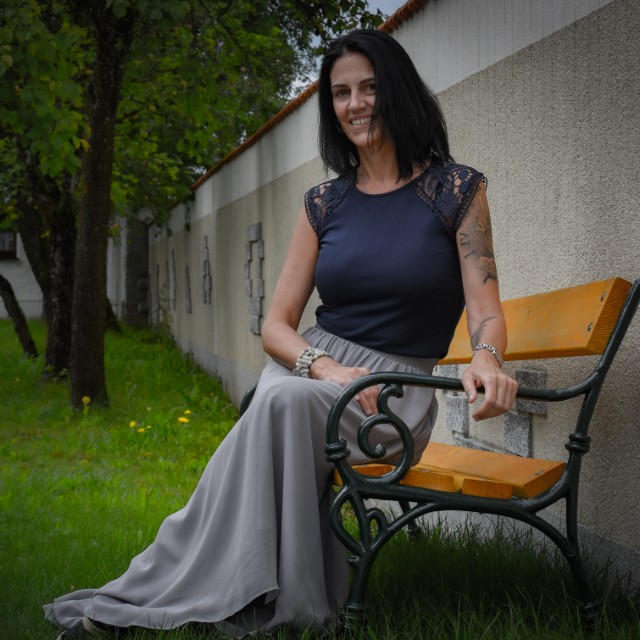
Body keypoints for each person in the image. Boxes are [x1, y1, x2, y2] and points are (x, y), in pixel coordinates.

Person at [45, 28, 518, 639]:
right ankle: (214, 595)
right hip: (313, 370)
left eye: (370, 88)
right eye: (341, 93)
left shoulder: (456, 191)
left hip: (392, 395)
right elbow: (275, 326)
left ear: (398, 90)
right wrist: (325, 368)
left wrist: (487, 357)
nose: (356, 104)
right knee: (282, 397)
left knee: (278, 404)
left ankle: (209, 594)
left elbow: (485, 308)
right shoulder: (324, 203)